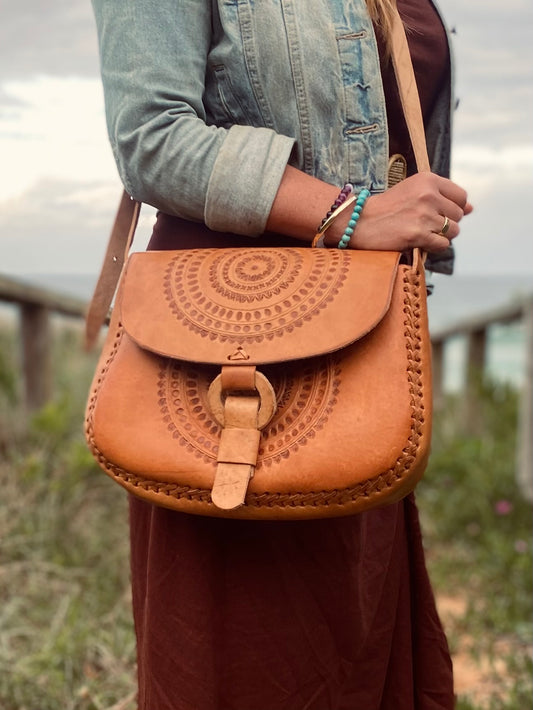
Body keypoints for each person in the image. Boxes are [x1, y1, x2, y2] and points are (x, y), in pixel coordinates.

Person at [91, 1, 472, 708]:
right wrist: (352, 212)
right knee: (243, 661)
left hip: (359, 350)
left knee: (353, 652)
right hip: (216, 356)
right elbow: (151, 137)